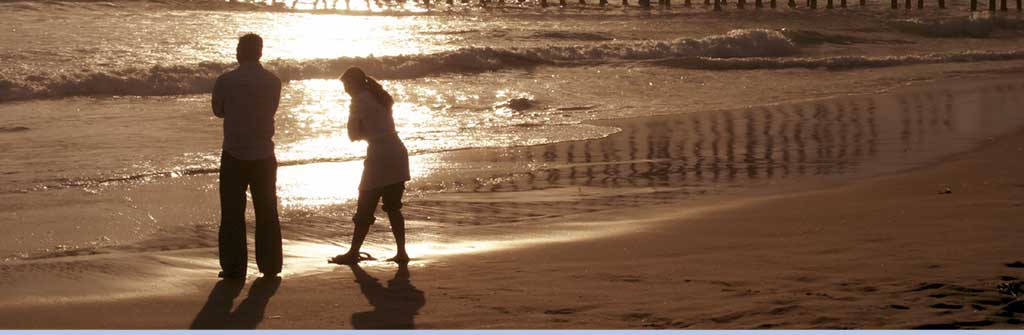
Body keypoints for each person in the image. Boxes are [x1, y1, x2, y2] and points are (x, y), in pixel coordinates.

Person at [212, 33, 283, 279]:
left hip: (234, 151)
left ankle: (234, 267)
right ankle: (270, 265)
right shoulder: (273, 81)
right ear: (260, 52)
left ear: (240, 52)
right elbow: (270, 109)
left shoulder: (226, 80)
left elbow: (218, 111)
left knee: (232, 212)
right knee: (266, 210)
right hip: (263, 152)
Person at [330, 67, 411, 265]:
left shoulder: (358, 101)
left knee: (365, 206)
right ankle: (401, 252)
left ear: (353, 84)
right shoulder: (379, 97)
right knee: (393, 207)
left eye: (346, 86)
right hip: (397, 151)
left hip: (379, 155)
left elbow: (352, 135)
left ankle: (353, 252)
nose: (346, 90)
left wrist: (364, 132)